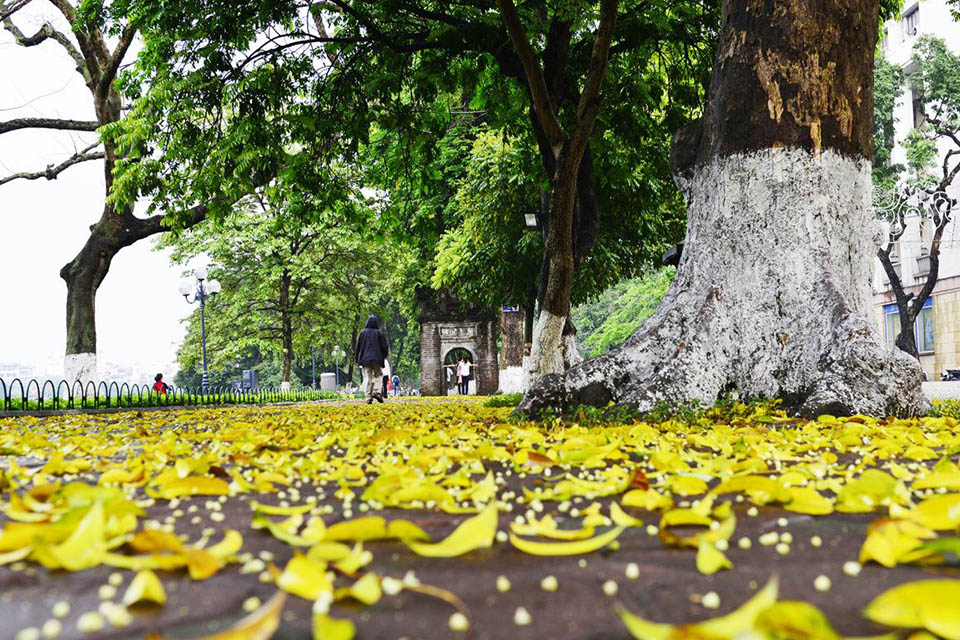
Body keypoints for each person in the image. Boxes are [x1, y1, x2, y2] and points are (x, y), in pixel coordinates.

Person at [355, 315, 389, 404]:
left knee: (368, 377)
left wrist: (357, 359)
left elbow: (357, 347)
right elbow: (385, 347)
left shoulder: (362, 333)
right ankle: (376, 392)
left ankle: (368, 397)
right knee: (379, 375)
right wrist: (383, 356)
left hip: (365, 359)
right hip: (377, 359)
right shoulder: (379, 333)